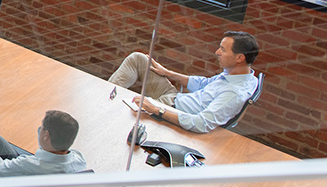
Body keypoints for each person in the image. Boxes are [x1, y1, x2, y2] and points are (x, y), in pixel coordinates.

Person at [109, 31, 260, 133]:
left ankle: (104, 109)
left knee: (125, 112)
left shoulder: (234, 93)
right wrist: (167, 73)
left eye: (223, 50)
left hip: (170, 109)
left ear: (240, 58)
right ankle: (104, 94)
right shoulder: (242, 75)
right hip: (176, 97)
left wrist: (157, 110)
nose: (217, 52)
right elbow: (203, 84)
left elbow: (202, 124)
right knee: (138, 59)